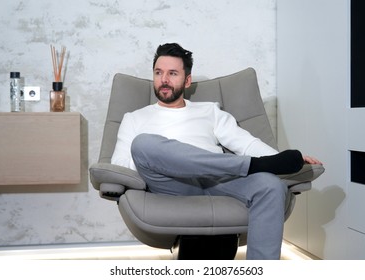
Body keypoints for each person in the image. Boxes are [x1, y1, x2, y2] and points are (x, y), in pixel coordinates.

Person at [111, 43, 321, 259]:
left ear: (188, 80)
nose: (164, 79)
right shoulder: (135, 118)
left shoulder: (209, 110)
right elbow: (119, 163)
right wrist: (166, 160)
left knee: (271, 186)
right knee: (143, 144)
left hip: (218, 179)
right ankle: (253, 165)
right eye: (158, 73)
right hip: (172, 184)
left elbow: (245, 143)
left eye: (172, 73)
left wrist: (277, 158)